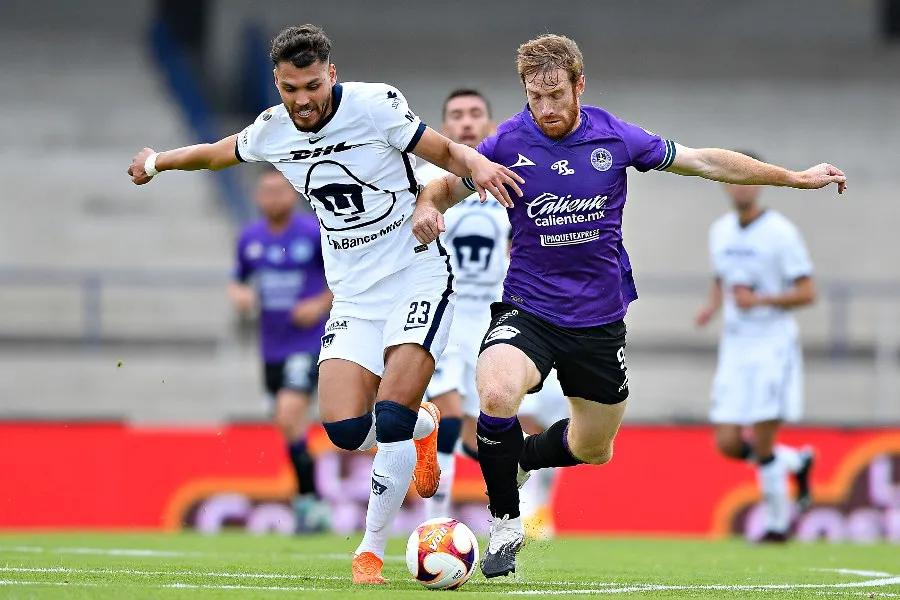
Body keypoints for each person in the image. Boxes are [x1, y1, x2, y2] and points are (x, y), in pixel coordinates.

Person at [411, 33, 846, 578]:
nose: (544, 109)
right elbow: (441, 186)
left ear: (579, 86)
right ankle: (504, 524)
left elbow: (704, 161)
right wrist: (427, 208)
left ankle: (524, 458)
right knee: (495, 390)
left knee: (593, 448)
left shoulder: (614, 136)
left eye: (555, 96)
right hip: (529, 307)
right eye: (534, 97)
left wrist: (794, 178)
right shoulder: (506, 142)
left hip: (598, 321)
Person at [127, 24, 523, 584]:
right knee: (342, 430)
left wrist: (477, 166)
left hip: (416, 273)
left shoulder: (376, 106)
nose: (303, 100)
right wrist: (157, 161)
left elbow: (442, 148)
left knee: (390, 414)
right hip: (355, 297)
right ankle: (424, 426)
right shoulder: (271, 129)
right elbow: (217, 154)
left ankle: (369, 550)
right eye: (291, 89)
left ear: (331, 75)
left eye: (312, 85)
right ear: (277, 84)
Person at [695, 158, 817, 543]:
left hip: (772, 345)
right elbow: (722, 276)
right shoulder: (720, 231)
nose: (740, 188)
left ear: (759, 183)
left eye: (748, 181)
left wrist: (761, 301)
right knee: (728, 442)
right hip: (735, 346)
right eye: (734, 182)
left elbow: (807, 292)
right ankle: (795, 461)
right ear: (726, 185)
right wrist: (712, 305)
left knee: (762, 441)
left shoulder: (781, 233)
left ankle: (779, 525)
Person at [415, 88, 509, 521]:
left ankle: (516, 512)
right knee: (446, 419)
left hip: (494, 320)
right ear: (444, 128)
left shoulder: (510, 179)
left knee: (481, 433)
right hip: (441, 314)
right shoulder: (422, 181)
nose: (467, 122)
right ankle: (435, 524)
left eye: (475, 114)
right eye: (456, 115)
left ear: (489, 125)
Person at [228, 169, 333, 532]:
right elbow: (238, 278)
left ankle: (310, 502)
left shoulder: (312, 232)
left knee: (289, 415)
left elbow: (342, 277)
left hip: (307, 341)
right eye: (266, 192)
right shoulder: (249, 238)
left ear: (293, 195)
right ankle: (311, 499)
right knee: (287, 426)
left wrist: (319, 305)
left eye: (280, 191)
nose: (273, 198)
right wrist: (239, 293)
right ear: (259, 198)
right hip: (270, 345)